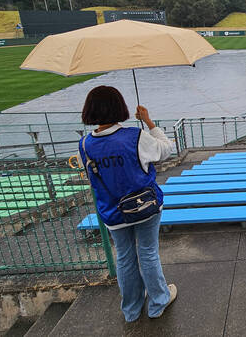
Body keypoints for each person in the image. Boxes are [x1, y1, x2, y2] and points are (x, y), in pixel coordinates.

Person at [78, 85, 177, 322]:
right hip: (145, 206)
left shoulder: (84, 145)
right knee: (148, 253)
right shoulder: (135, 136)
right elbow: (166, 150)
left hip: (112, 211)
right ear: (119, 107)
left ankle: (131, 310)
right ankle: (158, 302)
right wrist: (149, 123)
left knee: (124, 256)